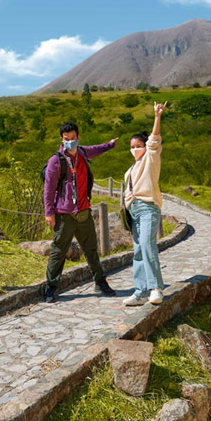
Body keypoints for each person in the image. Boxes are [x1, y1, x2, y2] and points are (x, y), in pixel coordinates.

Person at [43, 122, 118, 303]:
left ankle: (100, 282)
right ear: (61, 139)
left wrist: (110, 144)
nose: (70, 141)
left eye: (73, 138)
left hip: (83, 211)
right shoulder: (56, 160)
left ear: (78, 137)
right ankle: (50, 287)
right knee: (58, 251)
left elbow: (97, 149)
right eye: (66, 139)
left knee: (91, 249)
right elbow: (49, 188)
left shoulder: (83, 153)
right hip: (64, 213)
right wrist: (49, 212)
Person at [122, 101, 167, 307]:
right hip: (135, 212)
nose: (135, 149)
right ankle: (140, 291)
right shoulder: (131, 168)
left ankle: (155, 288)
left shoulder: (150, 158)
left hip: (148, 208)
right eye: (132, 147)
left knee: (148, 245)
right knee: (139, 249)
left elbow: (154, 140)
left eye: (138, 146)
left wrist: (157, 117)